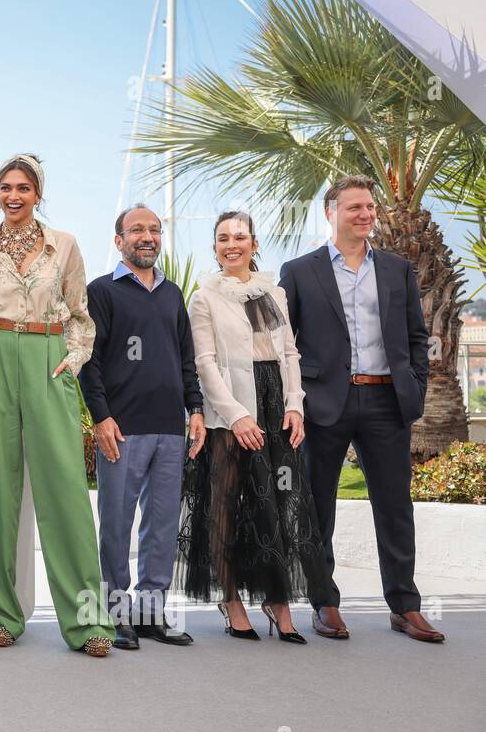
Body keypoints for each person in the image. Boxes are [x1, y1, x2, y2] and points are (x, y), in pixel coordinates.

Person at [0, 154, 115, 657]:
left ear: (37, 193)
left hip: (48, 358)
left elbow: (80, 316)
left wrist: (70, 361)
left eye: (23, 187)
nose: (13, 195)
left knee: (66, 488)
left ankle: (88, 619)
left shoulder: (64, 245)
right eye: (5, 187)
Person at [280, 175, 441, 642]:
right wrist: (294, 402)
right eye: (355, 207)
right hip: (323, 402)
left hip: (386, 400)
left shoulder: (396, 269)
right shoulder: (299, 270)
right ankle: (324, 602)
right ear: (331, 212)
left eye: (370, 206)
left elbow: (416, 337)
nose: (366, 214)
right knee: (317, 507)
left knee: (395, 507)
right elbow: (286, 345)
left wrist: (415, 389)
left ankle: (404, 606)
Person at [177, 211, 326, 643]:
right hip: (230, 412)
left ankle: (277, 601)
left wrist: (295, 405)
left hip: (277, 404)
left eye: (239, 236)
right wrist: (238, 414)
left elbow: (291, 355)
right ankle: (232, 600)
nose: (231, 244)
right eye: (222, 238)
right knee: (223, 504)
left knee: (281, 505)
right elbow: (203, 363)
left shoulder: (273, 293)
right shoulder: (204, 297)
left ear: (254, 245)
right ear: (215, 248)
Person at [79, 203, 204, 650]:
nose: (147, 236)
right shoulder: (102, 292)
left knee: (162, 523)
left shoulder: (172, 295)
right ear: (119, 241)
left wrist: (195, 409)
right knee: (116, 522)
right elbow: (89, 364)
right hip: (122, 428)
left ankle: (151, 612)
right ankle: (114, 614)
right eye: (137, 229)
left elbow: (185, 359)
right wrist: (102, 418)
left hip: (171, 428)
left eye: (154, 229)